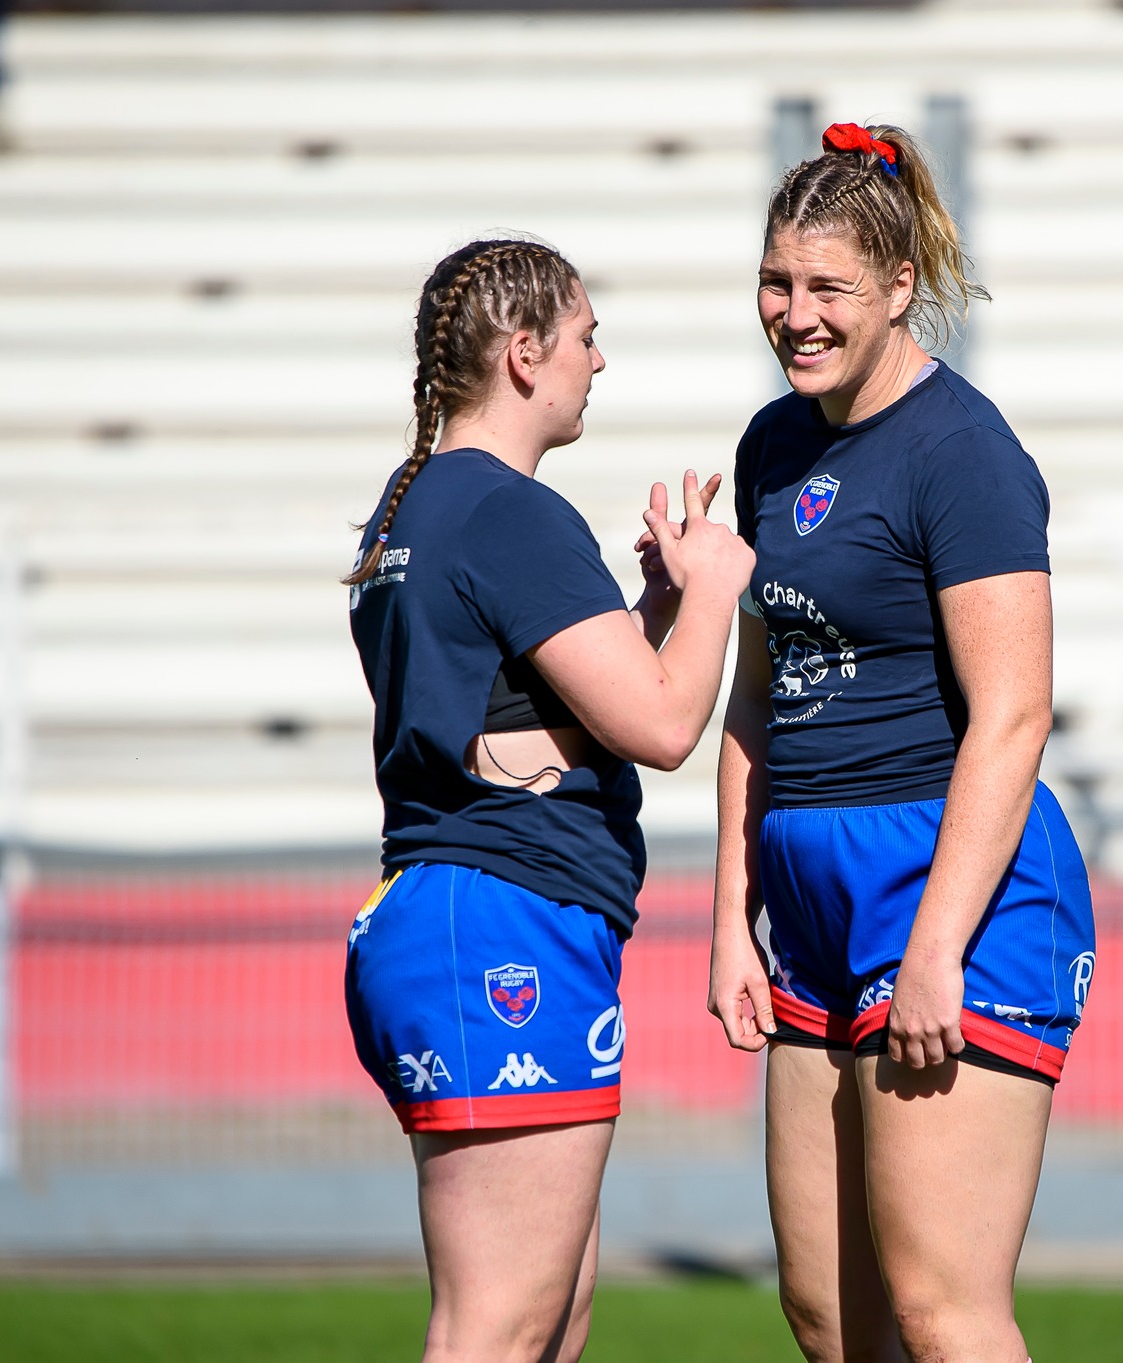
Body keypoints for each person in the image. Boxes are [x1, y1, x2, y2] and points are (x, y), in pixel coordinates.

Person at [707, 125, 1098, 1363]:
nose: (794, 313)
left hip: (946, 884)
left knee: (940, 1309)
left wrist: (933, 943)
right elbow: (755, 700)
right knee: (829, 1317)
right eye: (777, 281)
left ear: (894, 287)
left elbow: (1014, 713)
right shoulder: (772, 443)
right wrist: (732, 917)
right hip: (806, 898)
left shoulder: (961, 451)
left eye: (826, 287)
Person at [343, 237, 753, 1363]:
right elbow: (667, 724)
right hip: (502, 922)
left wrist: (652, 609)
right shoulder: (509, 512)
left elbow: (528, 709)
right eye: (583, 336)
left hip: (455, 913)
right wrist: (716, 588)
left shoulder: (417, 498)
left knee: (548, 1322)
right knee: (501, 1326)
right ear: (524, 355)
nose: (598, 361)